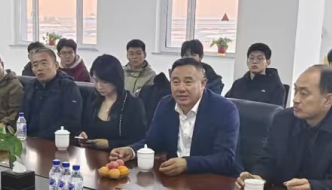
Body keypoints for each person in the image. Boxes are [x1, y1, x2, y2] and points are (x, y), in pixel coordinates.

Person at [237, 65, 332, 190]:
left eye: (304, 93)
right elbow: (268, 160)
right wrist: (257, 178)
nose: (296, 99)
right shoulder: (282, 119)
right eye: (296, 90)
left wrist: (312, 188)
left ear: (328, 100)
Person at [111, 58, 240, 177]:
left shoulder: (224, 109)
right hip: (176, 179)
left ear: (202, 84)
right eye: (176, 82)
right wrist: (131, 150)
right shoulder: (165, 104)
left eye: (188, 82)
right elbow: (153, 142)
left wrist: (187, 164)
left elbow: (224, 158)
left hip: (216, 180)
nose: (181, 88)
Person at [78, 54, 147, 150]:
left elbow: (139, 141)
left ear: (116, 80)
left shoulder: (133, 104)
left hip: (120, 156)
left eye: (104, 82)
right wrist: (82, 136)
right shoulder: (93, 100)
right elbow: (84, 127)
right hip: (92, 154)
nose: (99, 86)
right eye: (96, 81)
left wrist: (110, 144)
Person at [21, 46, 82, 137]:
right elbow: (22, 116)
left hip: (54, 140)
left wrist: (41, 138)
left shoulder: (68, 87)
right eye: (35, 65)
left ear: (56, 65)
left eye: (44, 63)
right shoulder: (31, 86)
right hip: (30, 139)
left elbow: (71, 123)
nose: (39, 68)